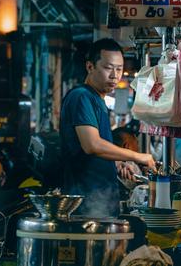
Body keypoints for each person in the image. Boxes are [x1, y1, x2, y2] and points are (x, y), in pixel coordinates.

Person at [60, 38, 156, 217]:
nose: (115, 75)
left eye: (119, 69)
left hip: (100, 202)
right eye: (108, 68)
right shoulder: (82, 97)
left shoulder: (98, 100)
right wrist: (138, 156)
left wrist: (116, 162)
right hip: (85, 204)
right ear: (90, 67)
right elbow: (92, 145)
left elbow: (94, 151)